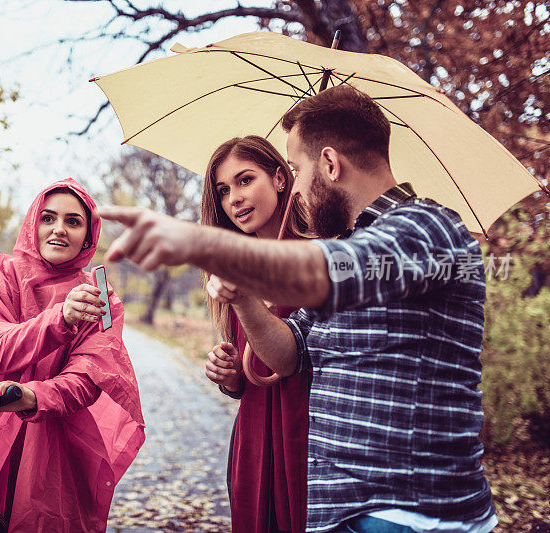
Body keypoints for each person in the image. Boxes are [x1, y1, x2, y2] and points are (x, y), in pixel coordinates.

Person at [99, 86, 496, 532]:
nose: (298, 187)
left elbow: (334, 271)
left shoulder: (427, 226)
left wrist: (202, 244)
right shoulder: (345, 245)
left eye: (296, 169)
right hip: (338, 512)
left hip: (409, 515)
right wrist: (243, 296)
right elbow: (289, 354)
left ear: (329, 164)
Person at [0, 178, 145, 532]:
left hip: (54, 453)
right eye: (48, 218)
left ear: (89, 236)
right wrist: (60, 318)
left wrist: (33, 397)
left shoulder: (98, 298)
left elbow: (88, 379)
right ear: (33, 222)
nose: (58, 230)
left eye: (73, 221)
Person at [200, 135, 310, 532]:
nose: (234, 199)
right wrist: (230, 377)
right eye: (224, 190)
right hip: (254, 437)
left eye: (245, 181)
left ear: (281, 178)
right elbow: (249, 375)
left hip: (308, 429)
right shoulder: (233, 267)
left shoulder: (323, 251)